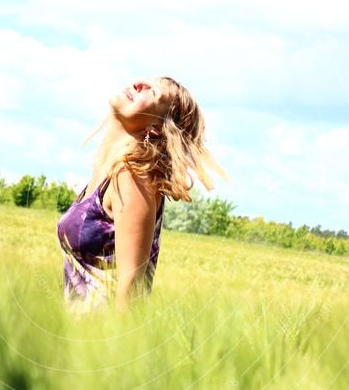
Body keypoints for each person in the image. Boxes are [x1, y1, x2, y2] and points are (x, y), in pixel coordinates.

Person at [56, 76, 229, 314]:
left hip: (102, 340)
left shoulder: (132, 176)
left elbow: (132, 285)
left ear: (156, 127)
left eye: (153, 92)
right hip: (77, 337)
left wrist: (111, 347)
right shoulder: (108, 173)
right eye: (146, 81)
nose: (139, 84)